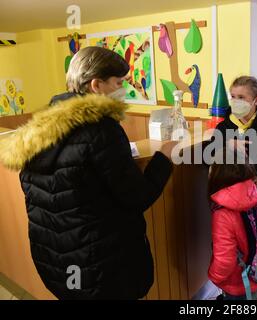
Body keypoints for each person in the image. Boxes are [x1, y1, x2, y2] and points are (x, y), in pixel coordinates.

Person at [0, 46, 177, 299]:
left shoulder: (39, 127)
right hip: (102, 267)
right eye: (118, 82)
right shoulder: (101, 128)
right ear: (96, 85)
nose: (123, 90)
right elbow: (138, 196)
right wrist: (164, 159)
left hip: (56, 261)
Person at [208, 148, 257, 300]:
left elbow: (225, 260)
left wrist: (214, 276)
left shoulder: (222, 214)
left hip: (237, 284)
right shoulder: (254, 194)